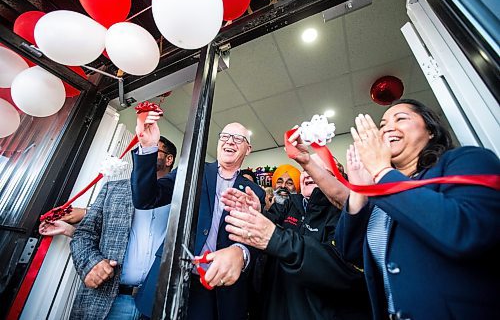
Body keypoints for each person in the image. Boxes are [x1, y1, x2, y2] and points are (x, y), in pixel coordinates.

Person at [332, 99, 500, 319]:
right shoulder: (380, 194)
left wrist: (382, 172)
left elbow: (467, 231)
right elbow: (349, 252)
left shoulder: (466, 159)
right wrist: (359, 189)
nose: (388, 128)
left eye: (401, 119)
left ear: (430, 130)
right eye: (382, 125)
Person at [130, 110, 265, 320]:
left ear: (248, 149)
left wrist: (242, 252)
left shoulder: (255, 192)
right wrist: (148, 147)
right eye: (225, 136)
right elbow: (146, 198)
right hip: (170, 278)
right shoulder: (191, 170)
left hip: (215, 289)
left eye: (239, 138)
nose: (230, 141)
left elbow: (257, 241)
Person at [220, 154, 371, 319]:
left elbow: (341, 270)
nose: (307, 173)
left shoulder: (345, 214)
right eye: (304, 170)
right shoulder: (288, 203)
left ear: (335, 178)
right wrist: (255, 214)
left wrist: (275, 238)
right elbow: (266, 231)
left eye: (314, 168)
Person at [67, 136, 177, 320]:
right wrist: (90, 263)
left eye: (153, 149)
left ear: (169, 159)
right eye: (144, 148)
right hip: (109, 298)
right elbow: (84, 234)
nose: (147, 152)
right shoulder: (113, 189)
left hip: (157, 304)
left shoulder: (182, 201)